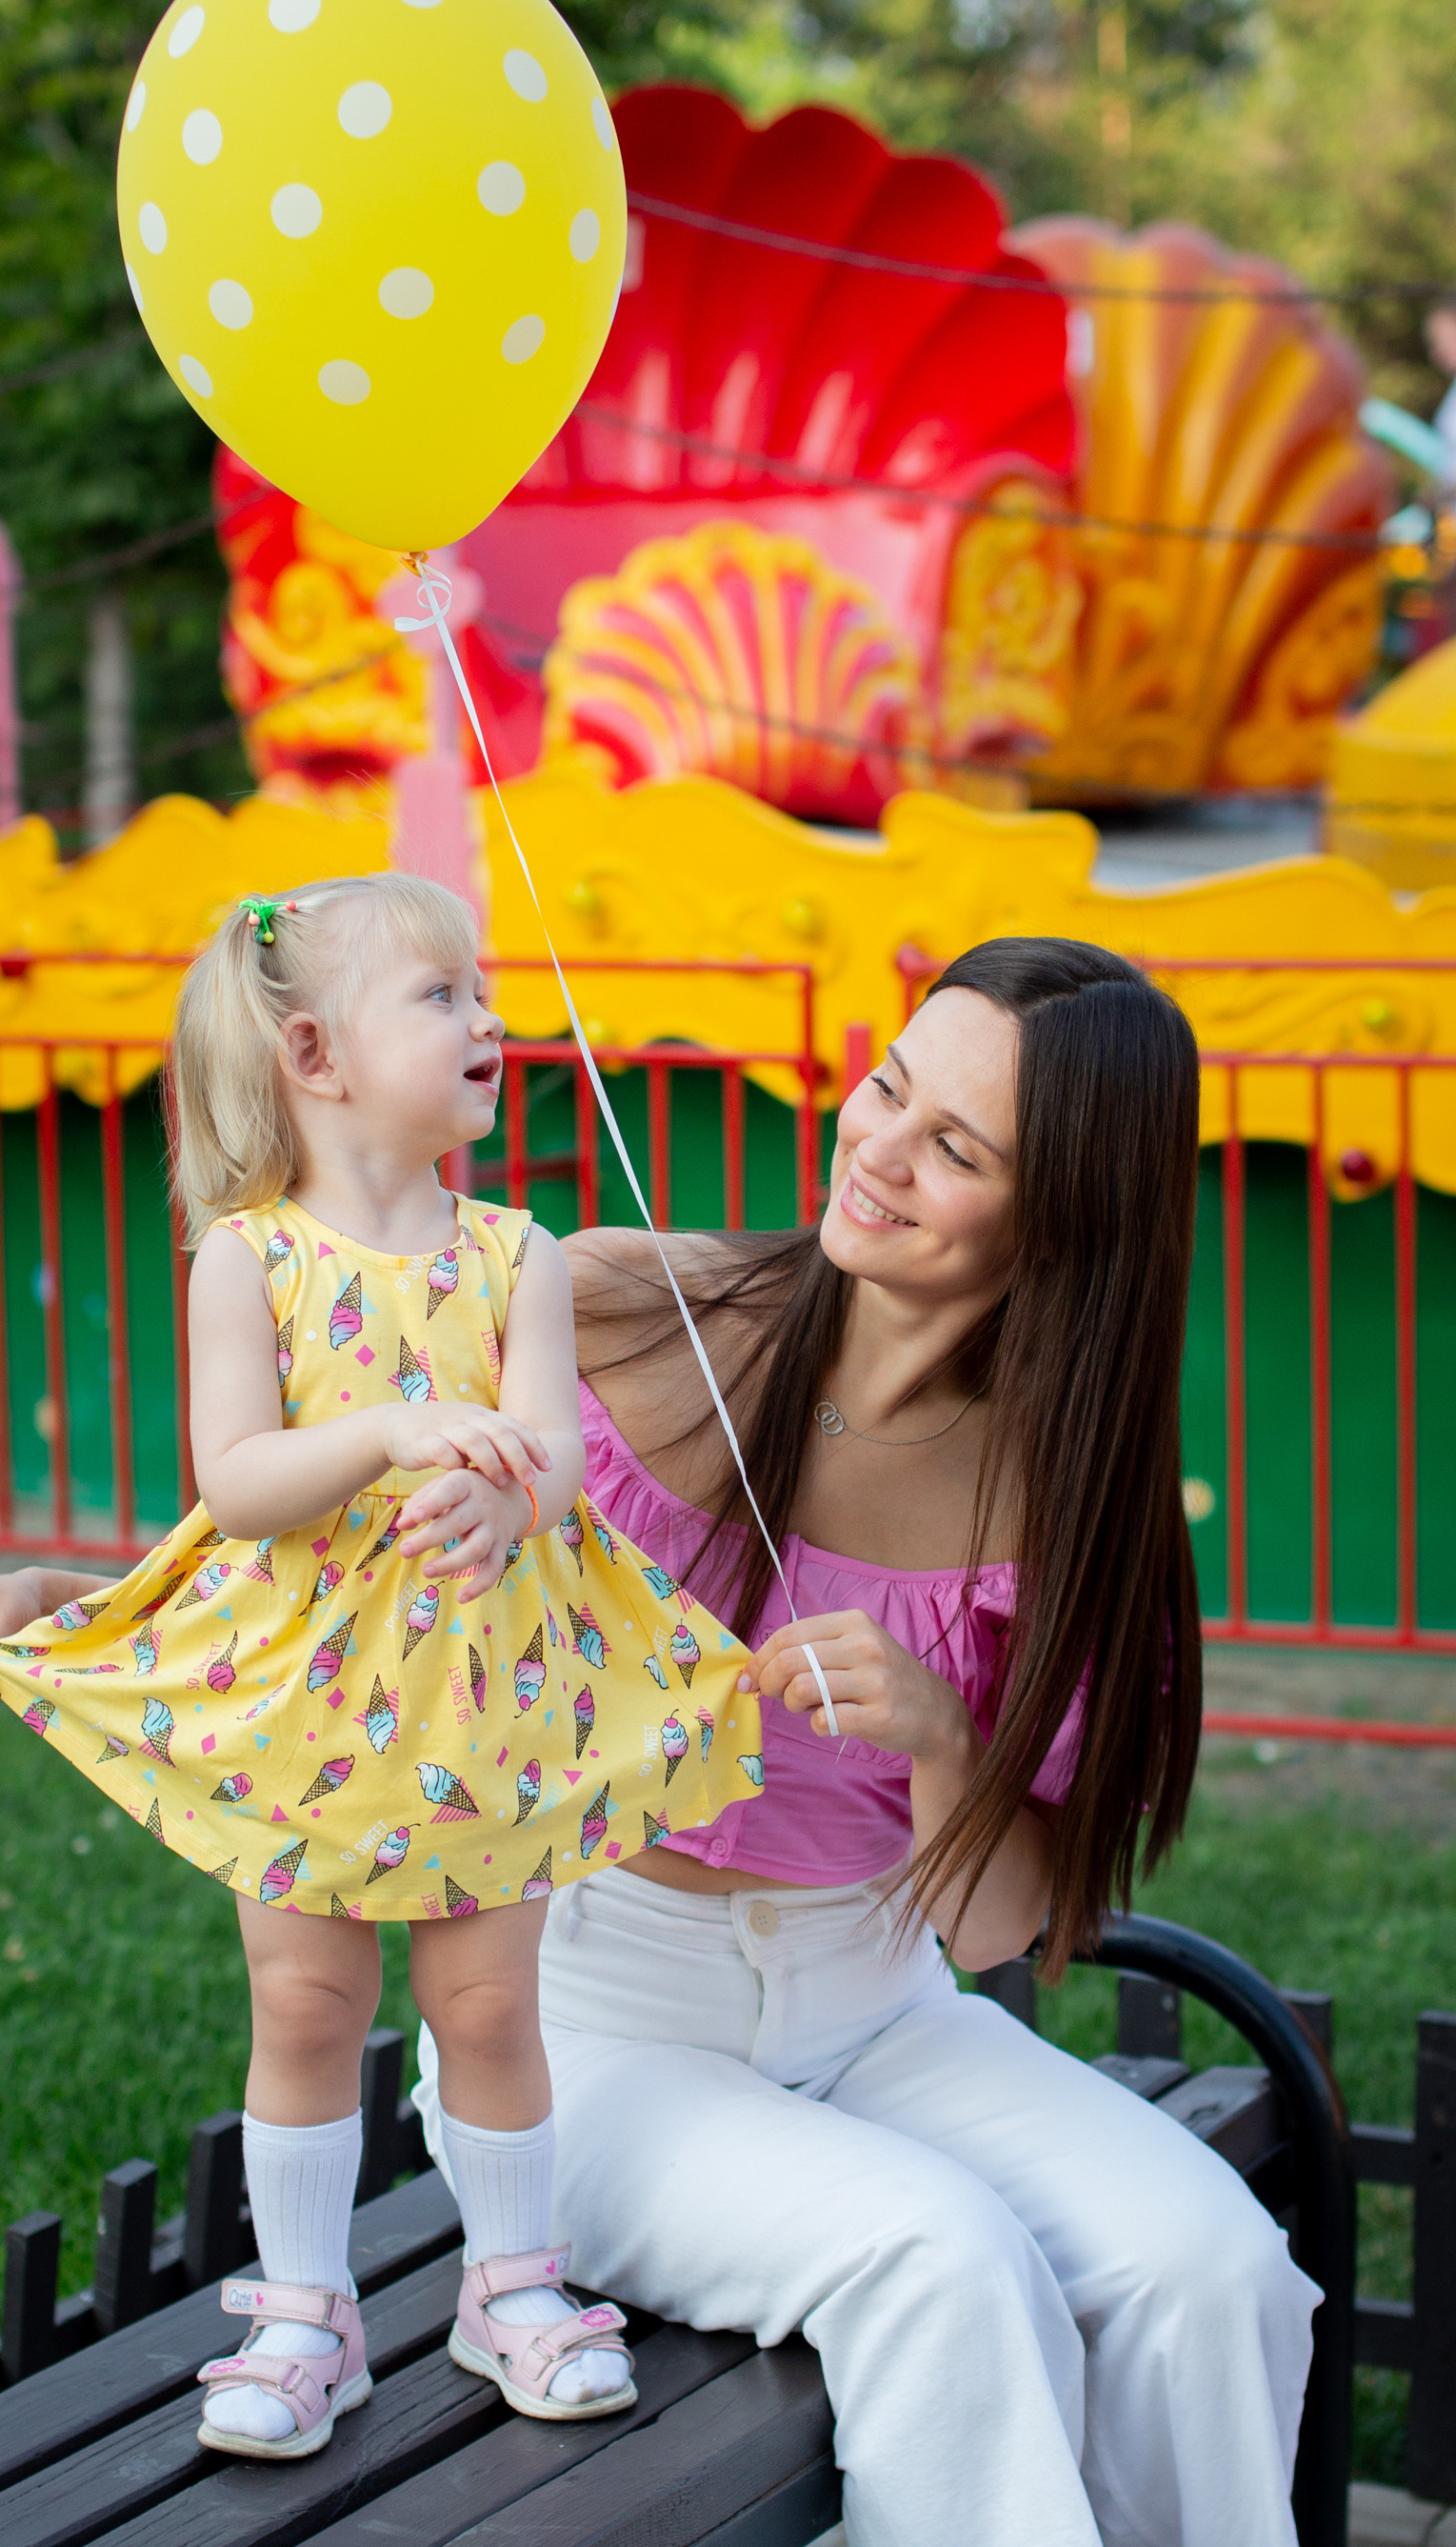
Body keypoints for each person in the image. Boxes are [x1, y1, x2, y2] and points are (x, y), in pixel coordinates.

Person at [413, 937, 1319, 2547]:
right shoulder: (623, 1310)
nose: (877, 1151)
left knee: (1219, 2270)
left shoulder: (1058, 1490)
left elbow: (1004, 1926)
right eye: (888, 1087)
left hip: (882, 2007)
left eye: (954, 1149)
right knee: (942, 2261)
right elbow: (321, 1476)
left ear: (1062, 1227)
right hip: (590, 2030)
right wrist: (71, 1596)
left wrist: (941, 1739)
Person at [0, 872, 760, 2463]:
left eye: (483, 990)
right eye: (441, 997)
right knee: (302, 1997)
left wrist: (509, 1487)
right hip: (308, 1702)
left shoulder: (519, 1254)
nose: (490, 1018)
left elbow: (560, 1452)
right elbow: (236, 1482)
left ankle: (510, 2285)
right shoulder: (251, 1259)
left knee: (489, 2003)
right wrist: (387, 1432)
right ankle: (304, 2311)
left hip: (482, 1693)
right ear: (314, 1052)